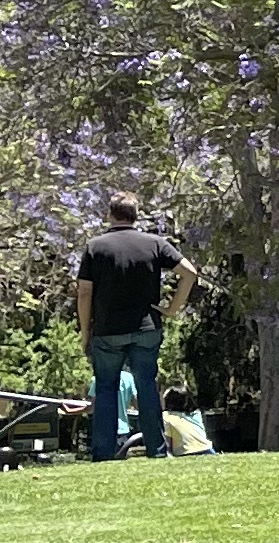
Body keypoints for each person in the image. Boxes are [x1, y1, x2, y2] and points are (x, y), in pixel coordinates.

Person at [72, 193, 198, 465]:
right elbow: (189, 273)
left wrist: (85, 331)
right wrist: (173, 308)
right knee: (147, 387)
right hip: (146, 327)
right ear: (136, 215)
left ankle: (103, 455)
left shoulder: (96, 247)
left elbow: (84, 292)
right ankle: (157, 450)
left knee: (106, 389)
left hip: (107, 331)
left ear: (110, 214)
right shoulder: (155, 243)